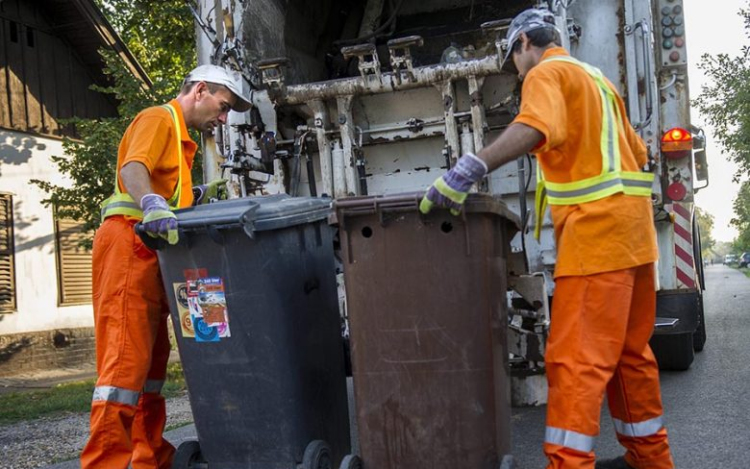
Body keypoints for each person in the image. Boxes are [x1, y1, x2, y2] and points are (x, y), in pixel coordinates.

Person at [420, 8, 674, 469]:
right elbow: (636, 155)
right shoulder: (597, 80)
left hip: (596, 243)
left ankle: (568, 464)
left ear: (524, 44)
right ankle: (651, 461)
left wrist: (471, 168)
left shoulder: (544, 73)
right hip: (634, 242)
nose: (515, 70)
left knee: (574, 364)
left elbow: (536, 126)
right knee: (629, 358)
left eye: (512, 58)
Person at [80, 64, 251, 469]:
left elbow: (166, 191)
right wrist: (152, 203)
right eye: (223, 107)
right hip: (127, 246)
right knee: (123, 368)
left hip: (154, 255)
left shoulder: (180, 139)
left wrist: (194, 197)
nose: (223, 118)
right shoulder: (159, 117)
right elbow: (133, 168)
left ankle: (148, 457)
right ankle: (105, 463)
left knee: (152, 366)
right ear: (201, 90)